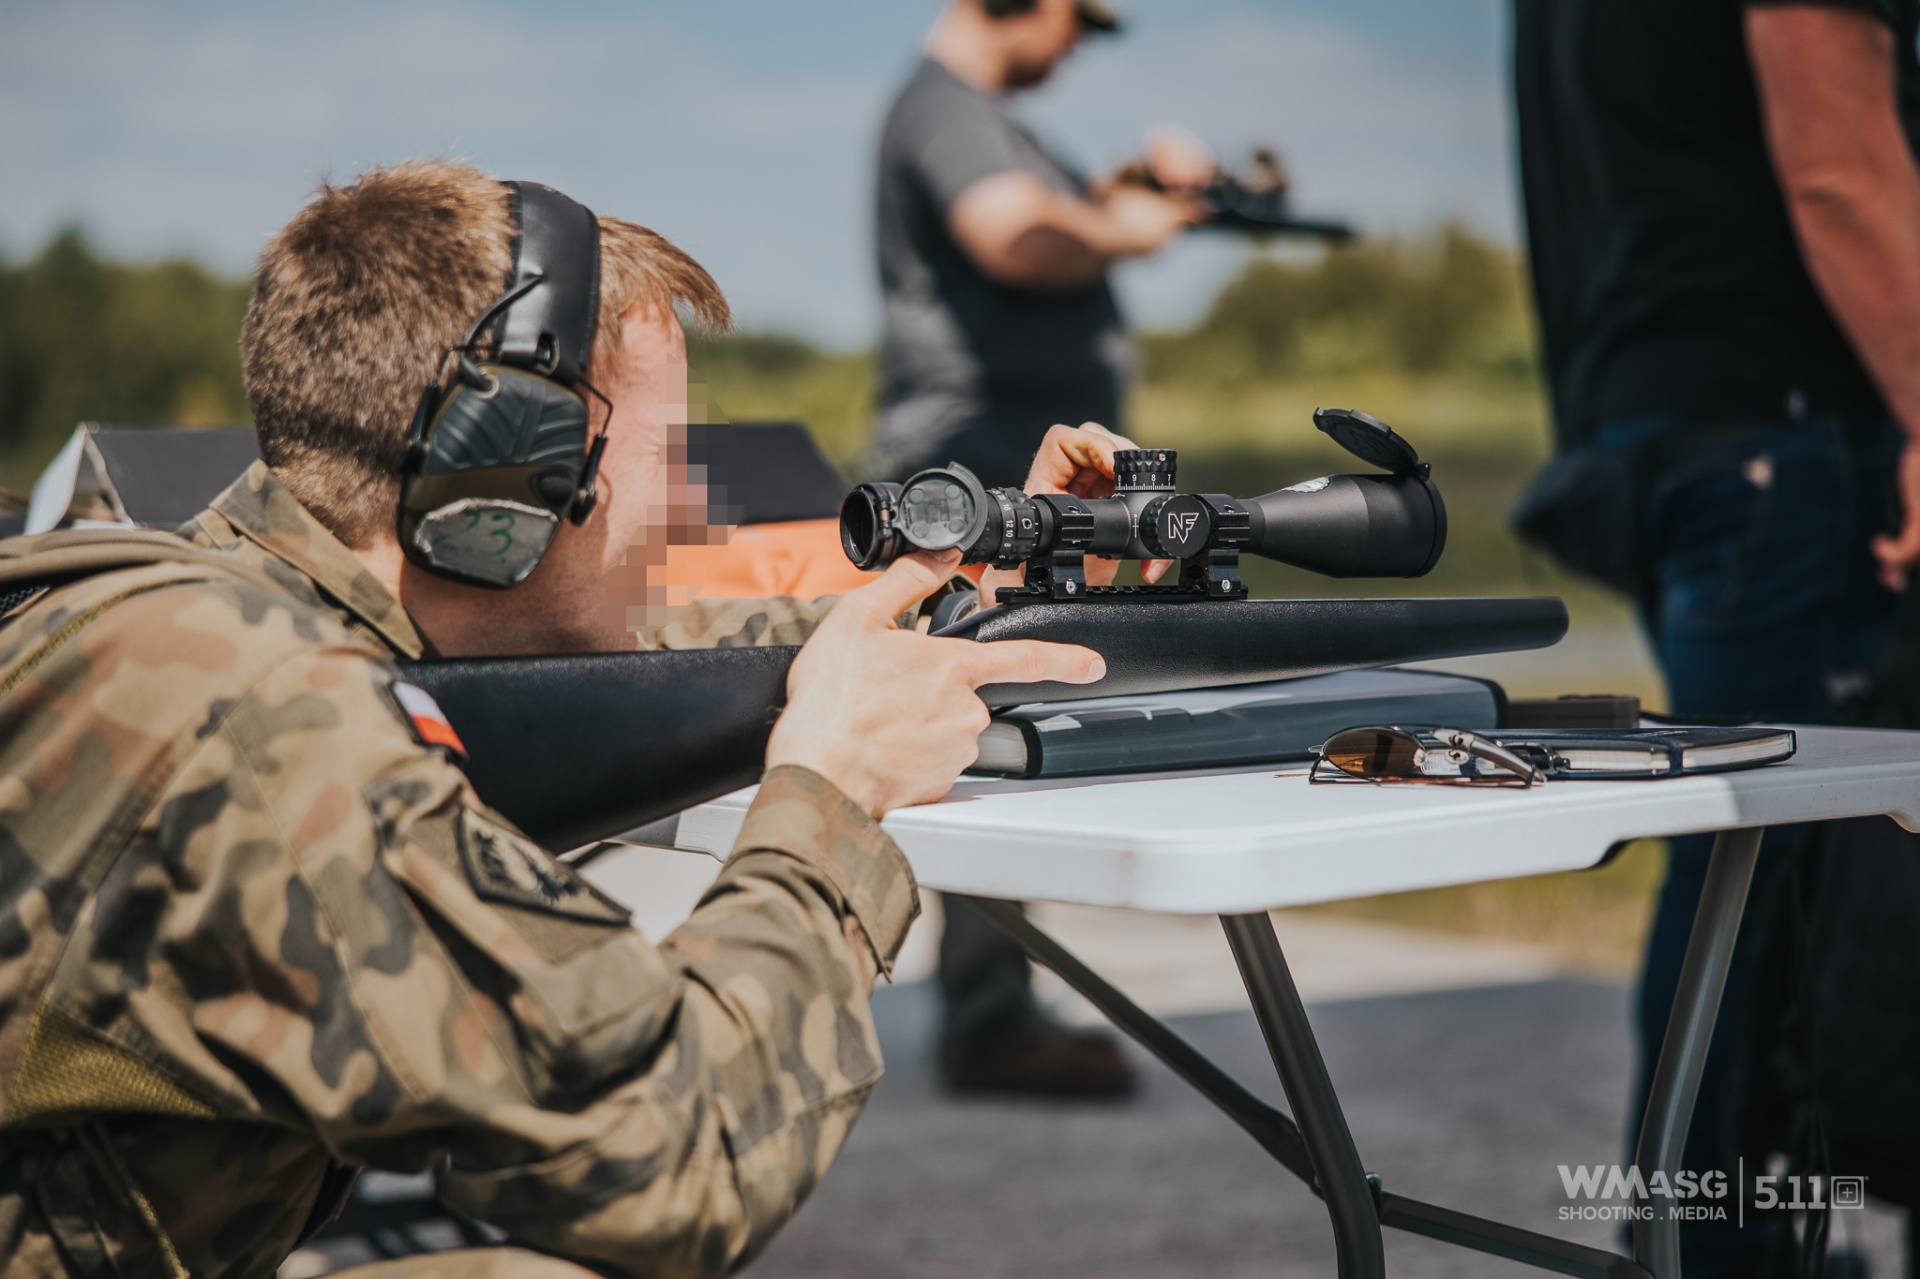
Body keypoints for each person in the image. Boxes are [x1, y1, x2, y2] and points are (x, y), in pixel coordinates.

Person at [0, 160, 1121, 1278]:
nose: (690, 506)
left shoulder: (206, 613)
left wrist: (975, 593)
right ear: (511, 472)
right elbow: (673, 1154)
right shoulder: (268, 720)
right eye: (667, 457)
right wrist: (831, 798)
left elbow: (667, 654)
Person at [1511, 0, 1920, 1271]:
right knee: (1770, 860)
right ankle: (1721, 1249)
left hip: (1672, 425)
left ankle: (1717, 1241)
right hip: (1788, 430)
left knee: (1747, 856)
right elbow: (1838, 168)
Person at [867, 0, 1210, 1097]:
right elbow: (1016, 235)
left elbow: (1048, 210)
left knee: (995, 720)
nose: (1078, 43)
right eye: (1079, 19)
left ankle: (991, 1008)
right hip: (982, 468)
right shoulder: (947, 109)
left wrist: (1130, 188)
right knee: (984, 724)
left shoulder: (982, 121)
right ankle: (990, 1020)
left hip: (1003, 466)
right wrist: (1130, 231)